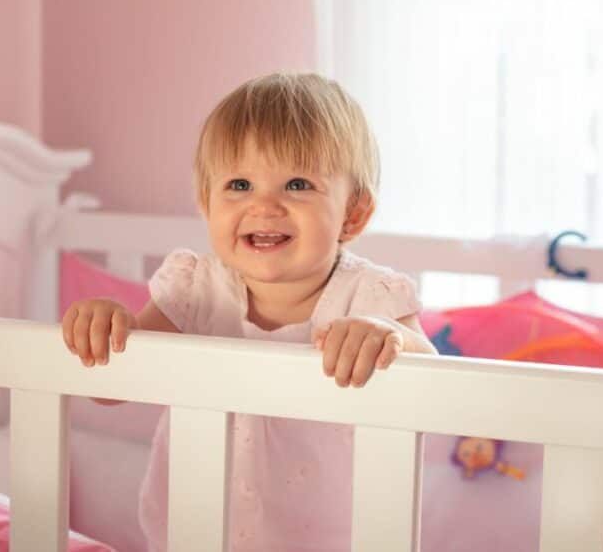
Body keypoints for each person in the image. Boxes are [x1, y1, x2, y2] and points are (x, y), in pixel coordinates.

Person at [60, 72, 437, 551]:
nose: (264, 205)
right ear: (206, 204)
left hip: (335, 541)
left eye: (297, 184)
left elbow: (436, 384)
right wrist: (106, 327)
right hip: (195, 531)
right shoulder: (194, 290)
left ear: (353, 214)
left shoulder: (370, 296)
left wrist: (391, 340)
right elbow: (112, 389)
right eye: (239, 184)